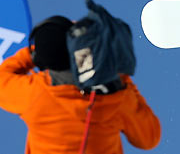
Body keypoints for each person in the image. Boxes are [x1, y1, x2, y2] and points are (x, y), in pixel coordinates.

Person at [0, 12, 161, 153]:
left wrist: (35, 52)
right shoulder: (113, 98)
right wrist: (119, 77)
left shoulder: (34, 94)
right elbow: (149, 138)